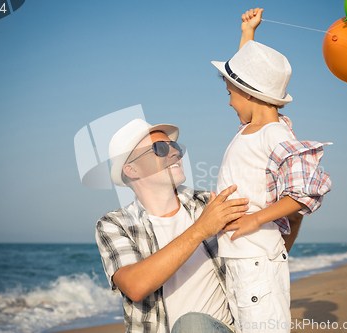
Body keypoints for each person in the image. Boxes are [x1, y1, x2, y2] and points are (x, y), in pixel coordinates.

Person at [210, 8, 332, 333]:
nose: (230, 102)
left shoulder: (275, 133)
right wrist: (248, 33)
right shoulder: (250, 128)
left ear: (249, 94)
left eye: (230, 95)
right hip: (241, 258)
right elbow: (247, 74)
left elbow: (306, 190)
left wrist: (255, 218)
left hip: (256, 261)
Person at [95, 118, 250, 333]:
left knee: (192, 326)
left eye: (174, 146)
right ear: (132, 170)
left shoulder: (209, 204)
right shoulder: (115, 224)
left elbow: (258, 252)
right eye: (160, 149)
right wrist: (201, 230)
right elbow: (135, 286)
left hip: (222, 328)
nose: (175, 153)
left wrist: (293, 213)